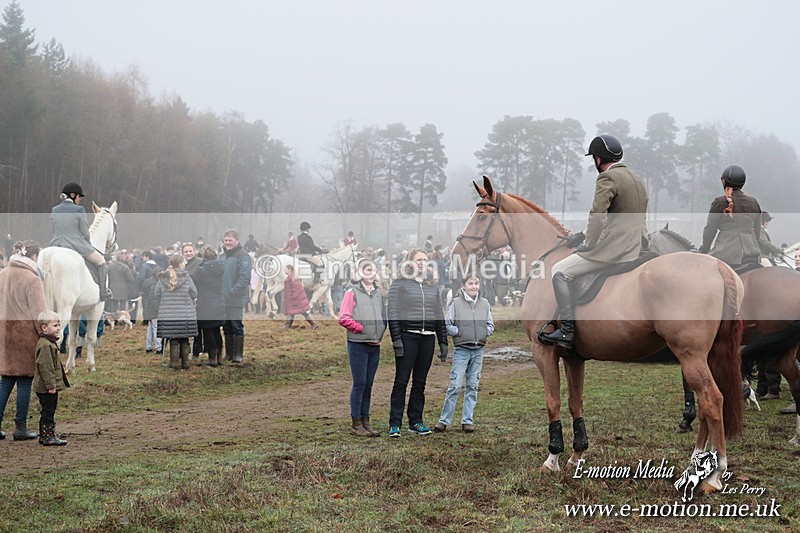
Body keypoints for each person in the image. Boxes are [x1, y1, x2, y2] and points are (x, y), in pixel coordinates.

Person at [539, 135, 648, 349]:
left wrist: (589, 243)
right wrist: (582, 233)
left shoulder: (607, 178)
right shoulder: (636, 179)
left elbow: (598, 214)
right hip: (636, 244)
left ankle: (567, 331)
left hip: (614, 249)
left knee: (560, 271)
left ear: (598, 158)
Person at [387, 248, 447, 437]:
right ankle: (395, 423)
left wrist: (443, 341)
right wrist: (396, 339)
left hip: (428, 338)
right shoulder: (400, 284)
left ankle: (416, 421)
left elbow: (439, 315)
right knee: (401, 381)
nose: (422, 262)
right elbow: (393, 313)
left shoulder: (432, 285)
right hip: (407, 337)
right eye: (418, 259)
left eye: (425, 259)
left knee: (420, 383)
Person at [434, 276, 494, 433]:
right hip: (462, 350)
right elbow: (448, 323)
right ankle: (444, 420)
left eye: (476, 283)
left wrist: (484, 333)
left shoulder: (485, 304)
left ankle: (467, 420)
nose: (474, 286)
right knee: (454, 386)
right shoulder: (456, 303)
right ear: (464, 285)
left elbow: (490, 324)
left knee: (473, 386)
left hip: (478, 350)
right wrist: (459, 333)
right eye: (470, 283)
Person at [0, 240, 46, 440]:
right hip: (25, 336)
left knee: (5, 381)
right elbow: (39, 313)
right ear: (34, 257)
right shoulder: (32, 278)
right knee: (25, 382)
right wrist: (47, 334)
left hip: (4, 334)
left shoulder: (3, 274)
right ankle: (20, 427)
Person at [338, 259, 385, 437]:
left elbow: (382, 315)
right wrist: (361, 329)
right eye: (366, 268)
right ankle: (355, 423)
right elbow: (343, 317)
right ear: (359, 271)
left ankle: (366, 421)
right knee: (360, 383)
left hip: (375, 344)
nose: (370, 272)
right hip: (358, 344)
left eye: (372, 269)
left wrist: (380, 330)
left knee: (369, 384)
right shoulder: (352, 292)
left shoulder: (378, 293)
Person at [50, 182, 113, 300]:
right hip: (75, 244)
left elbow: (55, 229)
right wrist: (88, 244)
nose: (79, 200)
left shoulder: (55, 209)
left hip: (56, 243)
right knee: (101, 261)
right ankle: (104, 292)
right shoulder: (79, 209)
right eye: (79, 197)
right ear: (73, 195)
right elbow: (85, 231)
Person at [698, 164, 762, 268]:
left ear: (723, 181)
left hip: (726, 254)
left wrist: (704, 250)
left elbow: (710, 230)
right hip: (753, 254)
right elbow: (757, 232)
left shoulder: (719, 202)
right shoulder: (753, 202)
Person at [156, 254, 198, 370]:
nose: (185, 264)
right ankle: (185, 363)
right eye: (184, 262)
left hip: (168, 315)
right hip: (185, 314)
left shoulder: (163, 278)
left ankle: (174, 363)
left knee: (173, 338)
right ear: (180, 264)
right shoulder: (187, 277)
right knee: (184, 339)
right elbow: (194, 293)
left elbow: (156, 293)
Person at [33, 310, 69, 446]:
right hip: (46, 388)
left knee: (47, 410)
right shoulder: (46, 345)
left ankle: (44, 435)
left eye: (59, 325)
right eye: (55, 325)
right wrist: (51, 386)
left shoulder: (48, 342)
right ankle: (48, 436)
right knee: (48, 411)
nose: (58, 328)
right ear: (44, 328)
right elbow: (46, 367)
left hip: (46, 386)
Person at [191, 246, 226, 367]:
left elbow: (193, 281)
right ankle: (219, 357)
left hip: (205, 304)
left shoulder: (201, 270)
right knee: (217, 330)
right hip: (219, 302)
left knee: (208, 331)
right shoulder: (222, 267)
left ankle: (212, 359)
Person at [222, 230, 252, 364]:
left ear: (237, 241)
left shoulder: (243, 256)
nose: (227, 243)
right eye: (226, 240)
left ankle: (238, 354)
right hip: (223, 298)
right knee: (226, 326)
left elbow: (245, 278)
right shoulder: (223, 256)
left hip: (236, 297)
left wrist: (232, 291)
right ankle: (229, 353)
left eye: (230, 240)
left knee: (236, 325)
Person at [282, 265, 318, 329]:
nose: (284, 270)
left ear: (289, 269)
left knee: (301, 313)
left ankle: (314, 324)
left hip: (296, 300)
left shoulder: (291, 278)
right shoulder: (293, 276)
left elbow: (295, 289)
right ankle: (287, 326)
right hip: (297, 299)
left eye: (285, 269)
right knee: (292, 313)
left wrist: (292, 298)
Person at [141, 267, 163, 355]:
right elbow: (153, 299)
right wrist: (159, 309)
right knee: (156, 329)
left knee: (150, 329)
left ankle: (148, 347)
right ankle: (159, 348)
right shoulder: (155, 285)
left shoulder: (148, 282)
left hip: (147, 309)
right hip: (154, 310)